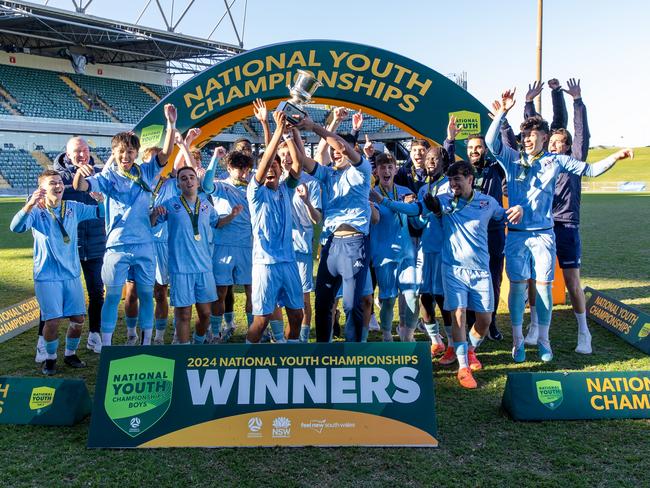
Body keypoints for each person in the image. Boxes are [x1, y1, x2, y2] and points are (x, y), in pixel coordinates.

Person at [486, 88, 633, 363]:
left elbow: (589, 170)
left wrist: (615, 157)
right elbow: (490, 141)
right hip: (516, 237)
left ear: (544, 136)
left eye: (533, 135)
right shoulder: (512, 159)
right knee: (517, 289)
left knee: (542, 289)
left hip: (543, 236)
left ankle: (543, 340)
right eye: (525, 135)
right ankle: (518, 342)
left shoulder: (556, 161)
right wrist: (502, 113)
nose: (528, 139)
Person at [72, 103, 177, 346]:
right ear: (114, 153)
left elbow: (166, 153)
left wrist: (171, 125)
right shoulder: (108, 177)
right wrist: (79, 172)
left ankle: (146, 343)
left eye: (130, 152)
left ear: (136, 153)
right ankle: (107, 346)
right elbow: (81, 186)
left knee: (146, 296)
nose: (125, 156)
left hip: (144, 245)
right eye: (121, 152)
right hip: (116, 247)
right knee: (112, 298)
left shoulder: (148, 172)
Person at [422, 161, 515, 388]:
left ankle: (469, 349)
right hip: (452, 268)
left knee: (485, 319)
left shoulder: (487, 202)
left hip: (481, 270)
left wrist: (518, 210)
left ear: (470, 180)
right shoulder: (444, 201)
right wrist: (430, 206)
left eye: (458, 179)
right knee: (459, 315)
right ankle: (463, 367)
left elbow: (503, 215)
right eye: (451, 179)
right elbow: (430, 209)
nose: (453, 184)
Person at [521, 79, 594, 354]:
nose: (553, 146)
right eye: (551, 142)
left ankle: (583, 332)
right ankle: (535, 326)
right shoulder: (542, 161)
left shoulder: (573, 160)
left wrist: (577, 101)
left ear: (567, 147)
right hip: (542, 228)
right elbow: (534, 132)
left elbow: (581, 133)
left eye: (559, 143)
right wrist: (528, 104)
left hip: (567, 227)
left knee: (573, 282)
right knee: (533, 279)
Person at [10, 170, 104, 374]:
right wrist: (29, 205)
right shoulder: (36, 211)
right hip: (47, 276)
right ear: (42, 189)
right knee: (52, 320)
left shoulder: (72, 207)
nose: (59, 185)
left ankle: (70, 354)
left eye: (60, 182)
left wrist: (100, 201)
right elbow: (16, 228)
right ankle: (50, 358)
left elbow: (100, 214)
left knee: (78, 319)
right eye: (53, 183)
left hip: (71, 275)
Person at [293, 113, 372, 342]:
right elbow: (304, 162)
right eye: (333, 152)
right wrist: (290, 132)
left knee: (351, 305)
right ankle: (323, 352)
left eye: (339, 151)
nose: (336, 154)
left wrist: (315, 126)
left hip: (354, 243)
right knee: (323, 303)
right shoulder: (328, 174)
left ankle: (354, 356)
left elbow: (344, 148)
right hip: (330, 244)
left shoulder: (361, 170)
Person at [36, 137, 107, 357]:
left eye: (85, 150)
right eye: (77, 151)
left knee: (97, 291)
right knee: (52, 295)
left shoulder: (99, 174)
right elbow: (42, 198)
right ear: (67, 154)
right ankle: (42, 340)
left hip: (96, 243)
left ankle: (95, 334)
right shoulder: (58, 178)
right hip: (67, 248)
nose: (82, 155)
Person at [445, 123, 507, 342]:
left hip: (494, 233)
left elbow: (506, 149)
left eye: (478, 147)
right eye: (470, 147)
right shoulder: (462, 171)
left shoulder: (496, 168)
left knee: (493, 278)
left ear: (485, 149)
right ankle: (471, 324)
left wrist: (503, 122)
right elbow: (449, 166)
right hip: (469, 236)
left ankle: (491, 321)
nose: (474, 151)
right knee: (467, 280)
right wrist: (450, 140)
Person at [246, 111, 304, 343]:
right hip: (265, 265)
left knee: (297, 316)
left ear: (281, 171)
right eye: (267, 166)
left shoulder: (286, 190)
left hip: (288, 262)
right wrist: (276, 129)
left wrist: (289, 135)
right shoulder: (256, 192)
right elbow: (265, 160)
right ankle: (245, 358)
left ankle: (289, 357)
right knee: (261, 321)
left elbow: (298, 164)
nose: (270, 169)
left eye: (275, 166)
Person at [151, 166, 219, 344]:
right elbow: (152, 222)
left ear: (197, 181)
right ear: (178, 184)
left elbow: (217, 222)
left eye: (191, 177)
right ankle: (184, 351)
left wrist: (233, 216)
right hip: (180, 268)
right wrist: (154, 214)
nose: (188, 181)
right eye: (183, 178)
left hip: (204, 267)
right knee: (184, 314)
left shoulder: (206, 205)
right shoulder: (170, 204)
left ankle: (198, 340)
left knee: (205, 313)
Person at [369, 153, 421, 342]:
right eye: (382, 167)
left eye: (390, 167)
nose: (387, 171)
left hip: (407, 253)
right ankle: (386, 335)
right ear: (376, 171)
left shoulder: (405, 191)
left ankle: (407, 335)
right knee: (388, 299)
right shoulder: (371, 194)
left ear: (396, 170)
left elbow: (416, 220)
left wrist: (414, 208)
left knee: (412, 296)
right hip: (383, 255)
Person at [202, 148, 251, 343]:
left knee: (252, 291)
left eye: (245, 167)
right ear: (229, 168)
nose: (242, 171)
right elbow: (206, 186)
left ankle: (253, 331)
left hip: (248, 245)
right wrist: (215, 158)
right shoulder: (222, 186)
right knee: (220, 292)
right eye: (238, 167)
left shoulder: (253, 186)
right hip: (223, 244)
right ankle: (216, 332)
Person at [278, 135, 322, 342]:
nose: (287, 158)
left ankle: (302, 338)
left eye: (290, 154)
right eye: (283, 154)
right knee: (277, 297)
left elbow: (317, 218)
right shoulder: (274, 180)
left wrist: (306, 202)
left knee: (303, 296)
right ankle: (279, 337)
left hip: (301, 246)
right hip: (276, 249)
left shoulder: (311, 183)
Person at [411, 147, 452, 356]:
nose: (430, 162)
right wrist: (415, 215)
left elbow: (449, 215)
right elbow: (418, 224)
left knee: (443, 297)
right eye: (428, 159)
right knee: (424, 295)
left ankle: (453, 342)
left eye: (435, 158)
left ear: (443, 161)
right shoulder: (422, 189)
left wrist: (437, 210)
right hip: (425, 249)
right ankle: (436, 340)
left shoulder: (449, 185)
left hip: (444, 249)